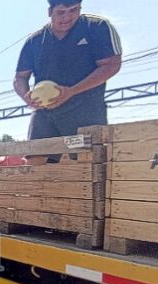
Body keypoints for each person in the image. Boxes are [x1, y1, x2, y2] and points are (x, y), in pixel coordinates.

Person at [14, 0, 122, 163]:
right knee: (34, 163)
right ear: (50, 11)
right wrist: (25, 95)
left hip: (85, 112)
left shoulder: (97, 27)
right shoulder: (34, 41)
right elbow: (20, 77)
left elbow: (112, 65)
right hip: (45, 113)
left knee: (87, 165)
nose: (67, 17)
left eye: (73, 10)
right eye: (61, 12)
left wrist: (72, 91)